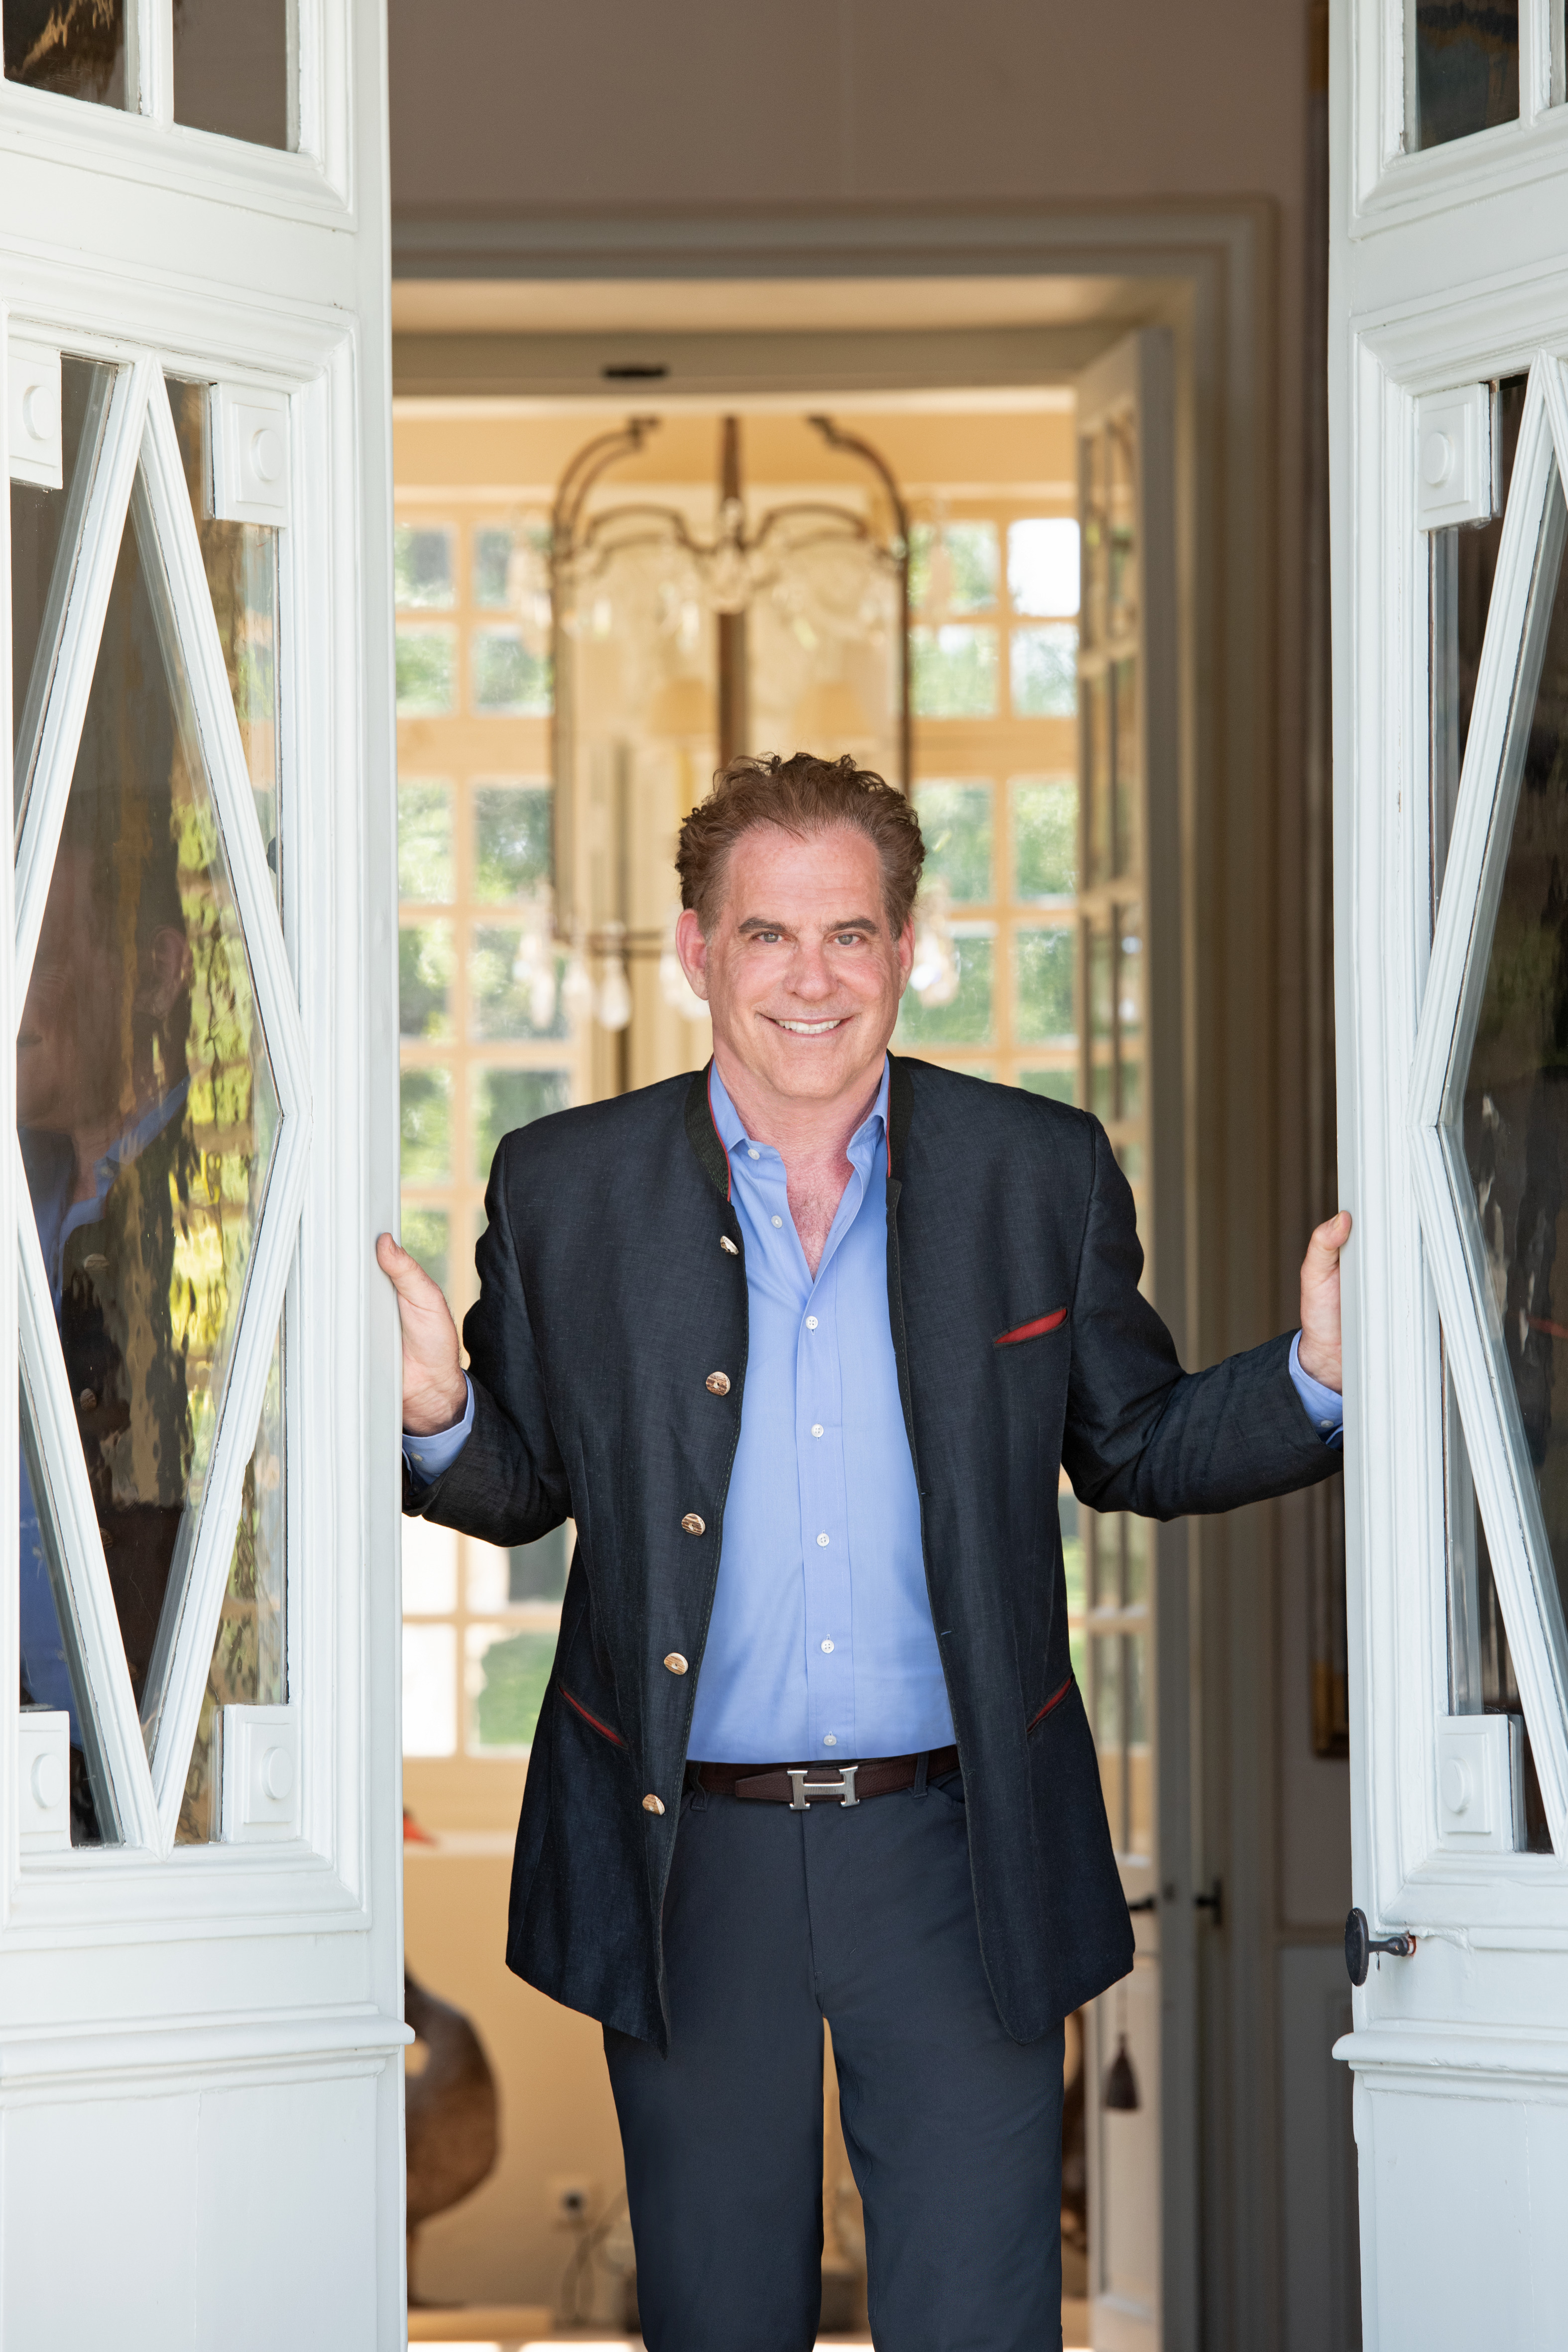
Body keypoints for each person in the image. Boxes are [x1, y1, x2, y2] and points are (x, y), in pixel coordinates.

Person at [379, 752, 1348, 2352]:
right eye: (769, 936)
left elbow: (1135, 1442)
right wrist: (435, 1414)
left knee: (979, 2320)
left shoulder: (1038, 1172)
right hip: (687, 1854)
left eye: (850, 936)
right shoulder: (566, 1187)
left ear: (907, 947)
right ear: (699, 950)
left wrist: (1313, 1373)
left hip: (961, 1850)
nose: (812, 980)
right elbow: (524, 1481)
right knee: (717, 2317)